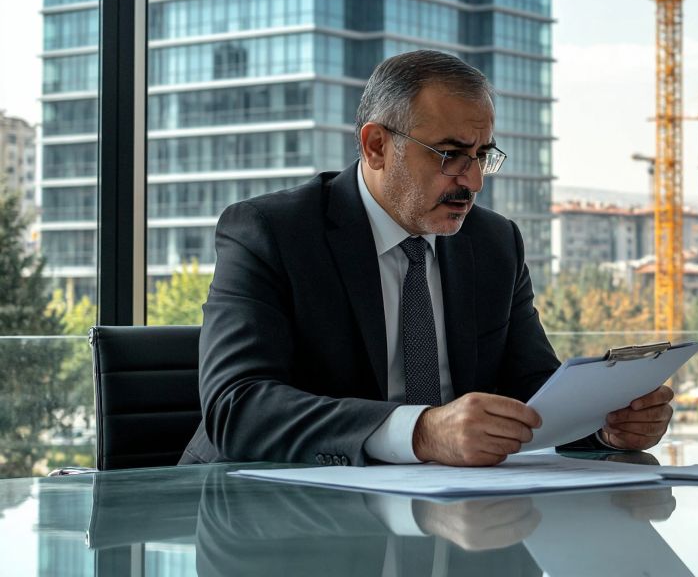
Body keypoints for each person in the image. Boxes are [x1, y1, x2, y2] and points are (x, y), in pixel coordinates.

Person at [181, 49, 673, 467]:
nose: (473, 182)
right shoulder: (272, 233)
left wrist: (605, 426)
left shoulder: (494, 242)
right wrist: (420, 432)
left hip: (448, 514)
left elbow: (531, 390)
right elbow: (236, 407)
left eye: (483, 155)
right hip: (266, 521)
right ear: (376, 146)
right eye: (450, 155)